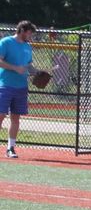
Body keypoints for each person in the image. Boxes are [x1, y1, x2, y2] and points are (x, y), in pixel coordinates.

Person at [0, 20, 48, 158]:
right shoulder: (6, 42)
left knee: (16, 118)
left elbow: (28, 66)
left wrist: (37, 72)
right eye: (29, 33)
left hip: (21, 87)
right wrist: (15, 68)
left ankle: (10, 148)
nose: (30, 36)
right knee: (1, 115)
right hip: (5, 85)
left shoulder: (27, 46)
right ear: (21, 30)